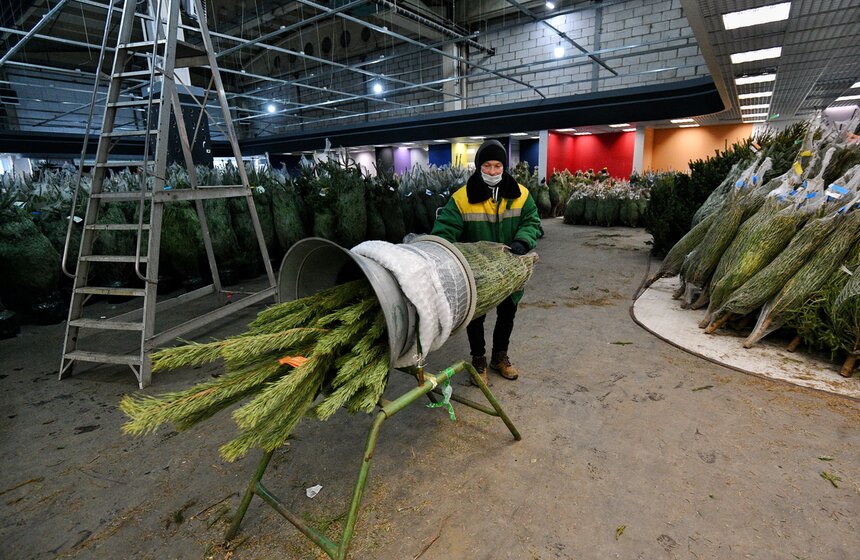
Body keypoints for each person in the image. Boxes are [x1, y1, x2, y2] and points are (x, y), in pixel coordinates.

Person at [431, 139, 542, 385]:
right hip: (477, 273)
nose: (492, 172)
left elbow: (532, 221)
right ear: (479, 166)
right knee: (475, 316)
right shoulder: (462, 198)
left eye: (497, 166)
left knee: (507, 314)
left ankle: (500, 357)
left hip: (510, 269)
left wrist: (523, 240)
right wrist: (441, 253)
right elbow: (444, 230)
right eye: (487, 166)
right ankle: (478, 359)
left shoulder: (521, 195)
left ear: (504, 167)